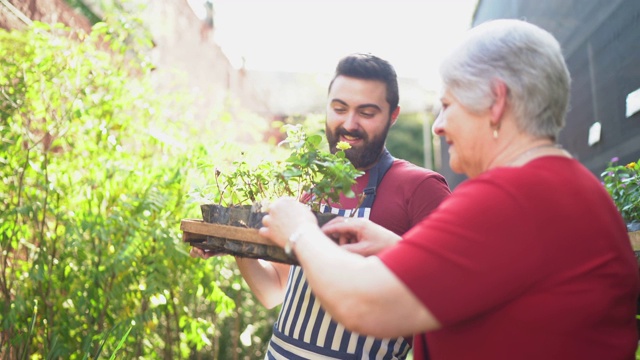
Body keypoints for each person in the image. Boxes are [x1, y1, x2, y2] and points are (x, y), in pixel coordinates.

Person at [258, 19, 640, 360]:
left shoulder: (510, 198)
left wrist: (299, 231)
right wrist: (400, 249)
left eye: (447, 104)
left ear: (496, 102)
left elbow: (363, 304)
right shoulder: (578, 190)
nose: (438, 126)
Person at [191, 53, 451, 359]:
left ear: (393, 115)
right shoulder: (312, 187)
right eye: (339, 109)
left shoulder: (420, 188)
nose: (349, 124)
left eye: (366, 113)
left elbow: (450, 293)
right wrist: (237, 245)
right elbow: (274, 290)